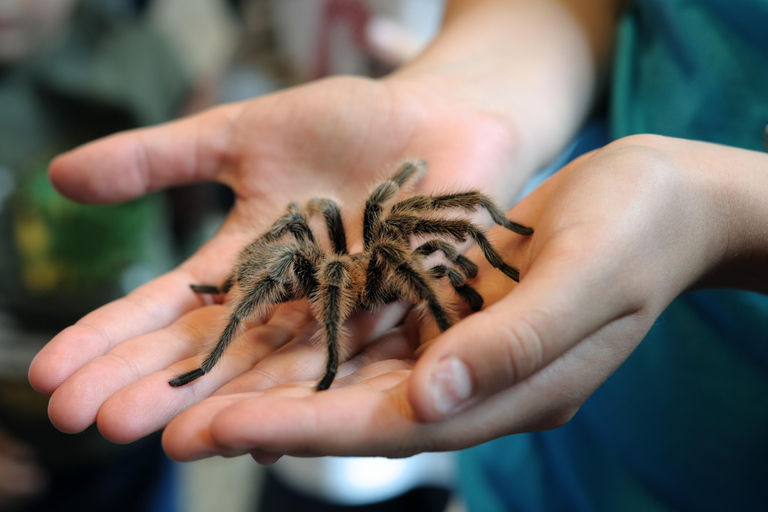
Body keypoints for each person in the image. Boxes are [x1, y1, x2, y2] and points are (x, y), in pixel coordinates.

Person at [27, 0, 768, 510]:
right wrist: (475, 91)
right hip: (553, 474)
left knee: (387, 234)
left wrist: (718, 218)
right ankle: (232, 314)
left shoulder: (401, 248)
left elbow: (456, 220)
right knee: (316, 227)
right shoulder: (351, 261)